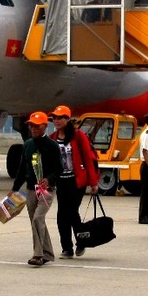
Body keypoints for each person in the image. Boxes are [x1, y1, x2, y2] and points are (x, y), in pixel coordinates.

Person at [10, 111, 61, 266]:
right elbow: (21, 170)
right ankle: (48, 253)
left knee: (38, 219)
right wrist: (15, 189)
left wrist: (49, 179)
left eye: (37, 126)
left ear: (45, 126)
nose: (33, 128)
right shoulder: (28, 145)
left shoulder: (52, 146)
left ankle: (38, 255)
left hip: (47, 190)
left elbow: (59, 169)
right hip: (31, 190)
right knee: (36, 221)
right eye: (31, 125)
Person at [48, 105, 99, 259]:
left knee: (71, 212)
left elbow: (89, 160)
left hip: (77, 182)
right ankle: (67, 248)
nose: (56, 120)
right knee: (61, 215)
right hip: (61, 182)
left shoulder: (78, 136)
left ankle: (81, 241)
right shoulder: (52, 138)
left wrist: (93, 182)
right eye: (54, 118)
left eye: (60, 117)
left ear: (67, 119)